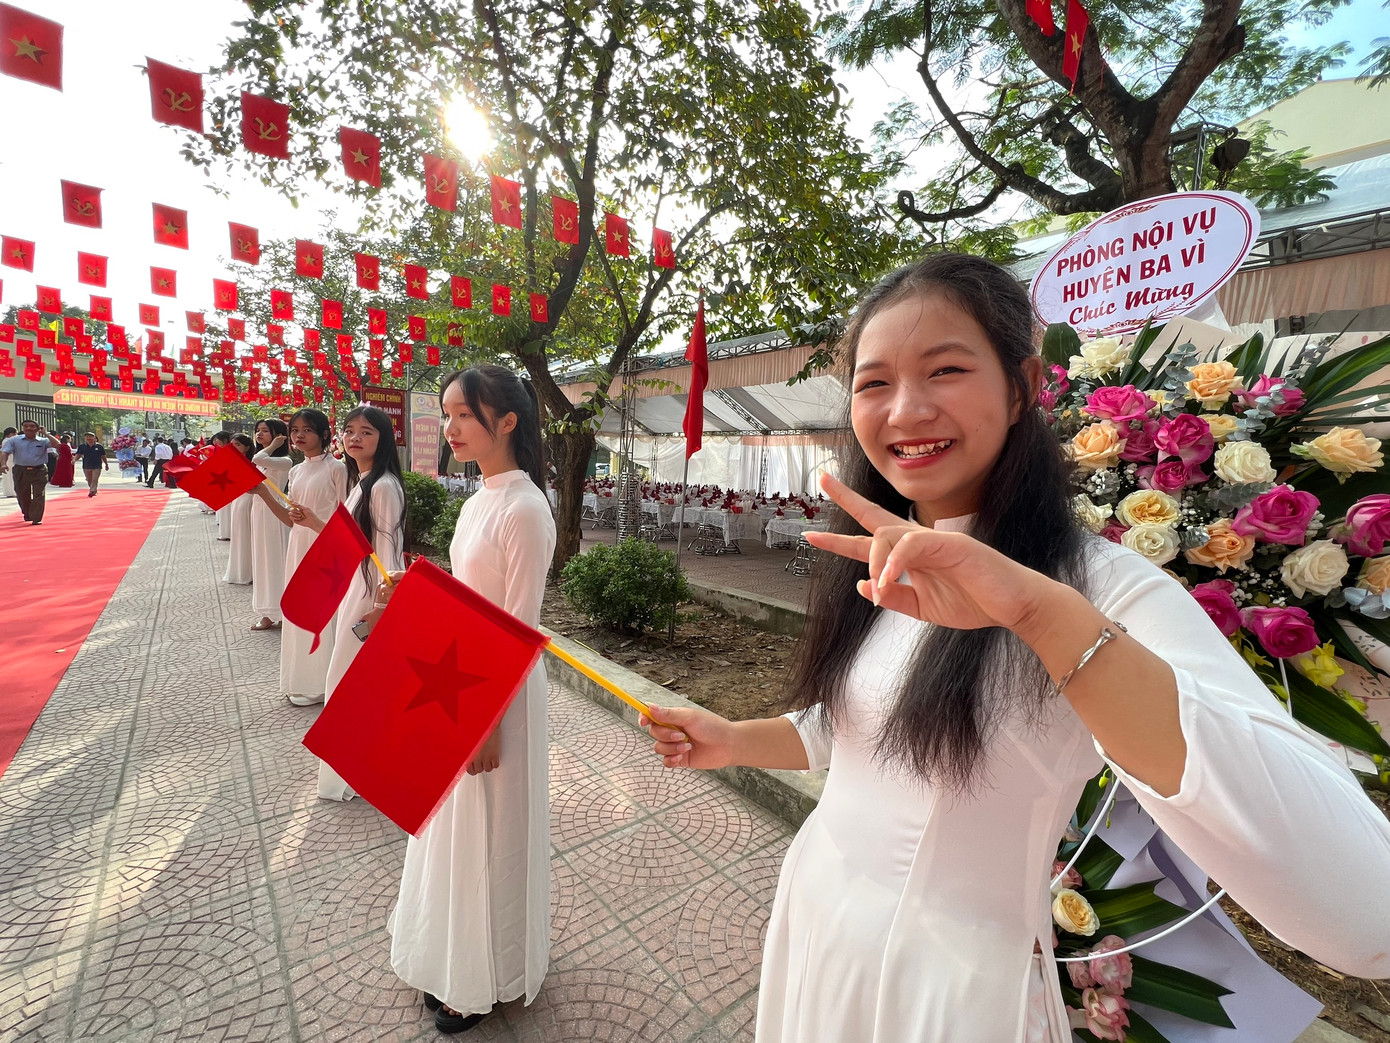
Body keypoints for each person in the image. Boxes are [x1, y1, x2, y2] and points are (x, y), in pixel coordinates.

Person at [637, 254, 1390, 1043]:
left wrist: (1043, 617)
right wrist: (732, 740)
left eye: (946, 369)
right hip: (818, 921)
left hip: (948, 990)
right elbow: (849, 727)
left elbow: (1365, 915)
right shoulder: (884, 557)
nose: (905, 410)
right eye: (873, 383)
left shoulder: (1101, 588)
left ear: (1022, 384)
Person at [385, 366, 555, 1036]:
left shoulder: (525, 508)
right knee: (454, 826)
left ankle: (485, 977)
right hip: (462, 679)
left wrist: (489, 724)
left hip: (500, 696)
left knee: (494, 833)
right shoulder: (478, 497)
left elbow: (520, 628)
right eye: (448, 414)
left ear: (507, 420)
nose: (449, 428)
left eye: (464, 415)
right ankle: (453, 957)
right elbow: (466, 598)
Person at [288, 406, 406, 793]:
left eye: (366, 432)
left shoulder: (384, 485)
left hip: (370, 594)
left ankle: (354, 771)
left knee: (350, 683)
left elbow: (387, 553)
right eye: (350, 430)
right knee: (349, 683)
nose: (355, 438)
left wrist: (382, 607)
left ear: (383, 439)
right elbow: (356, 544)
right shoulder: (364, 480)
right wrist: (314, 522)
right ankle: (356, 765)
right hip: (357, 587)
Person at [259, 410, 347, 705]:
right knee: (299, 608)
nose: (299, 435)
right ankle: (300, 679)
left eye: (307, 430)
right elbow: (290, 519)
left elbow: (346, 519)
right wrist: (263, 493)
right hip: (298, 546)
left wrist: (317, 525)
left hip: (326, 549)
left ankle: (323, 682)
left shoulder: (338, 469)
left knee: (320, 613)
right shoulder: (296, 471)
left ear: (324, 434)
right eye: (295, 430)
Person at [249, 419, 292, 631]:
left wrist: (274, 445)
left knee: (275, 562)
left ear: (277, 435)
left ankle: (281, 611)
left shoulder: (284, 460)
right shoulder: (262, 461)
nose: (259, 434)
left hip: (275, 514)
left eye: (265, 431)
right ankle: (266, 612)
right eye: (257, 431)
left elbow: (258, 456)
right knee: (262, 562)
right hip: (258, 512)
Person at [2, 421, 62, 524]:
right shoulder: (14, 440)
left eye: (32, 426)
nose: (29, 428)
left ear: (37, 428)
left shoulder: (43, 441)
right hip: (20, 470)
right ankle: (27, 513)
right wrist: (3, 464)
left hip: (39, 470)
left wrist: (46, 433)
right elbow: (5, 452)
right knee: (22, 494)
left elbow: (58, 445)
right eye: (26, 426)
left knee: (39, 494)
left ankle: (36, 518)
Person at [223, 434, 256, 585]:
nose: (233, 447)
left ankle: (249, 571)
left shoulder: (253, 462)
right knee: (239, 533)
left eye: (237, 445)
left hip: (248, 499)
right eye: (232, 444)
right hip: (237, 500)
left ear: (247, 447)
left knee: (246, 534)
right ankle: (240, 570)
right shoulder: (229, 461)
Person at [209, 432, 235, 539]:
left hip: (228, 484)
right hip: (222, 483)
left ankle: (228, 532)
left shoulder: (230, 452)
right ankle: (225, 532)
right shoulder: (221, 451)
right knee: (225, 510)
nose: (215, 442)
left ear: (224, 440)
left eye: (217, 440)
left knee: (229, 510)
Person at [74, 433, 108, 497]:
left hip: (97, 466)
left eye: (90, 437)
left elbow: (103, 456)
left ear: (94, 438)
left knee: (94, 479)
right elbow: (78, 455)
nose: (89, 438)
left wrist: (106, 464)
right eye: (87, 437)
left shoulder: (99, 447)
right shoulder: (82, 446)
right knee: (89, 479)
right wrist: (74, 460)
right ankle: (94, 490)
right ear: (85, 438)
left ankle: (92, 491)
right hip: (86, 465)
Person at [0, 427, 15, 498]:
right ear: (11, 434)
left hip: (9, 459)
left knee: (8, 476)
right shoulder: (8, 441)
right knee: (11, 475)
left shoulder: (5, 440)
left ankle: (9, 491)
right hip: (10, 459)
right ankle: (12, 491)